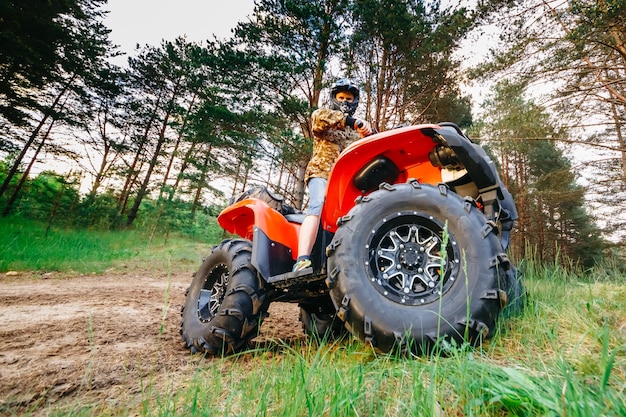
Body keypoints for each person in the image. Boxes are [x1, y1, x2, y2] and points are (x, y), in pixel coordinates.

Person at [292, 78, 372, 272]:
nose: (345, 101)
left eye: (349, 98)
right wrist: (355, 122)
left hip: (344, 182)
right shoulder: (322, 117)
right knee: (317, 204)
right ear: (334, 99)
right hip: (321, 172)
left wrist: (368, 132)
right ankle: (302, 259)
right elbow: (320, 118)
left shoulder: (354, 133)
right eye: (341, 97)